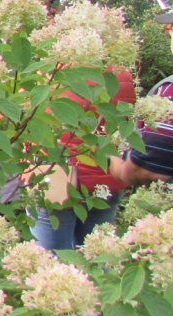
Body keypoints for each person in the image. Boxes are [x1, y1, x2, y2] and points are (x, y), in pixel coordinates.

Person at [29, 65, 137, 251]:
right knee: (98, 256)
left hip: (56, 180)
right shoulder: (121, 74)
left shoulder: (50, 72)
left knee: (50, 260)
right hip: (106, 180)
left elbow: (17, 121)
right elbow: (126, 122)